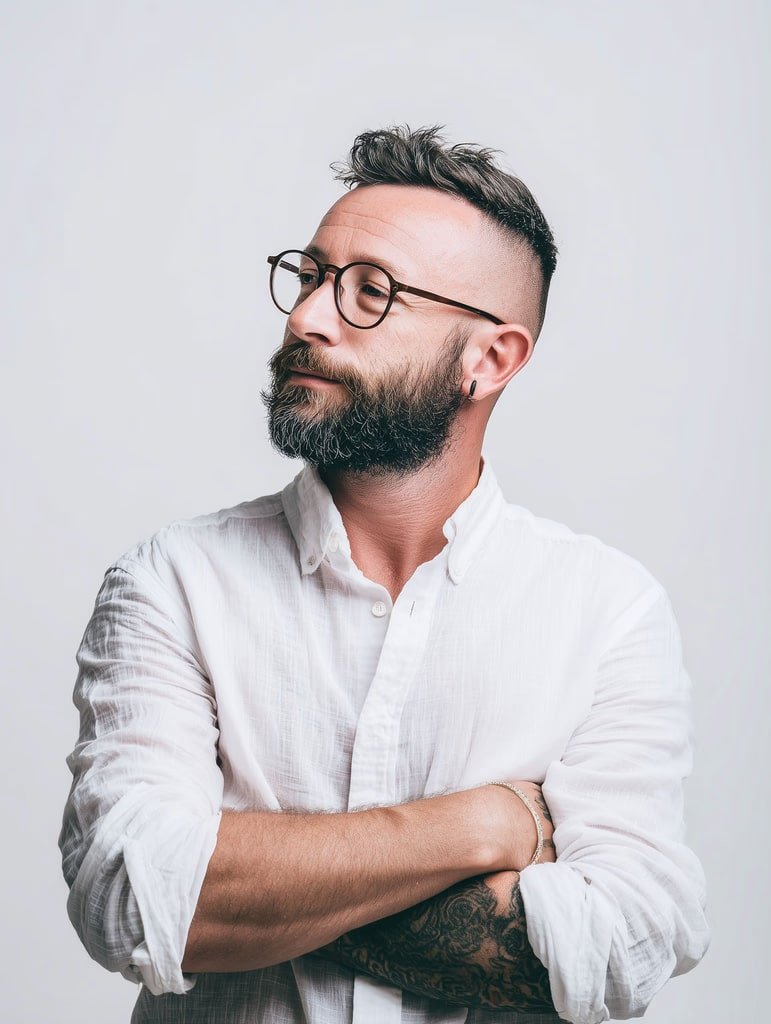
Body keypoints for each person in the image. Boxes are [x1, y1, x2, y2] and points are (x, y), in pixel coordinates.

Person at [59, 124, 709, 1024]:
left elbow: (621, 949)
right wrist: (484, 825)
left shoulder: (605, 611)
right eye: (310, 276)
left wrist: (238, 891)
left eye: (371, 292)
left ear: (490, 359)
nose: (307, 319)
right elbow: (134, 902)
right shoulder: (172, 582)